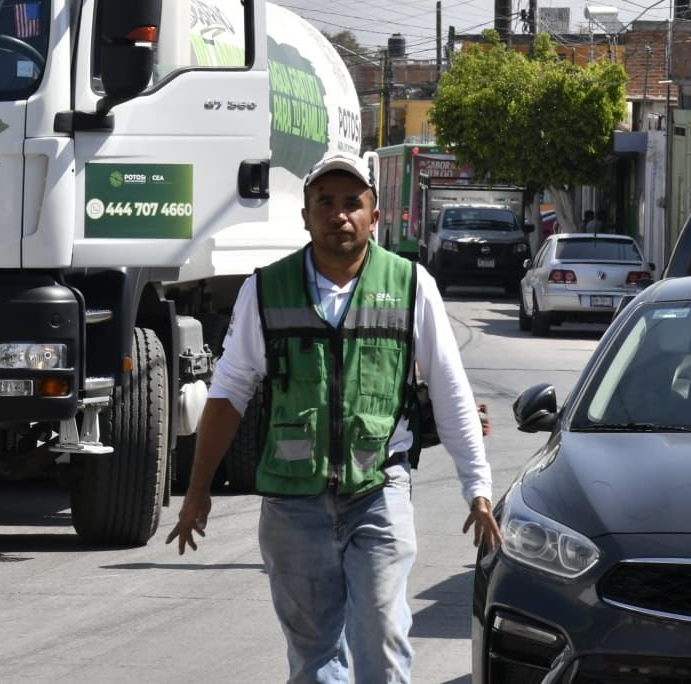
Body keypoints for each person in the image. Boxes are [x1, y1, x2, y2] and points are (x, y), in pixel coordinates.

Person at [167, 151, 501, 684]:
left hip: (379, 491)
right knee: (315, 656)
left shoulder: (412, 286)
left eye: (352, 203)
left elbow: (450, 389)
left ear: (374, 216)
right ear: (305, 214)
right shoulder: (265, 289)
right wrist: (198, 490)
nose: (339, 214)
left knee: (384, 639)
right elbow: (228, 393)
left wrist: (477, 488)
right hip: (293, 505)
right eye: (326, 203)